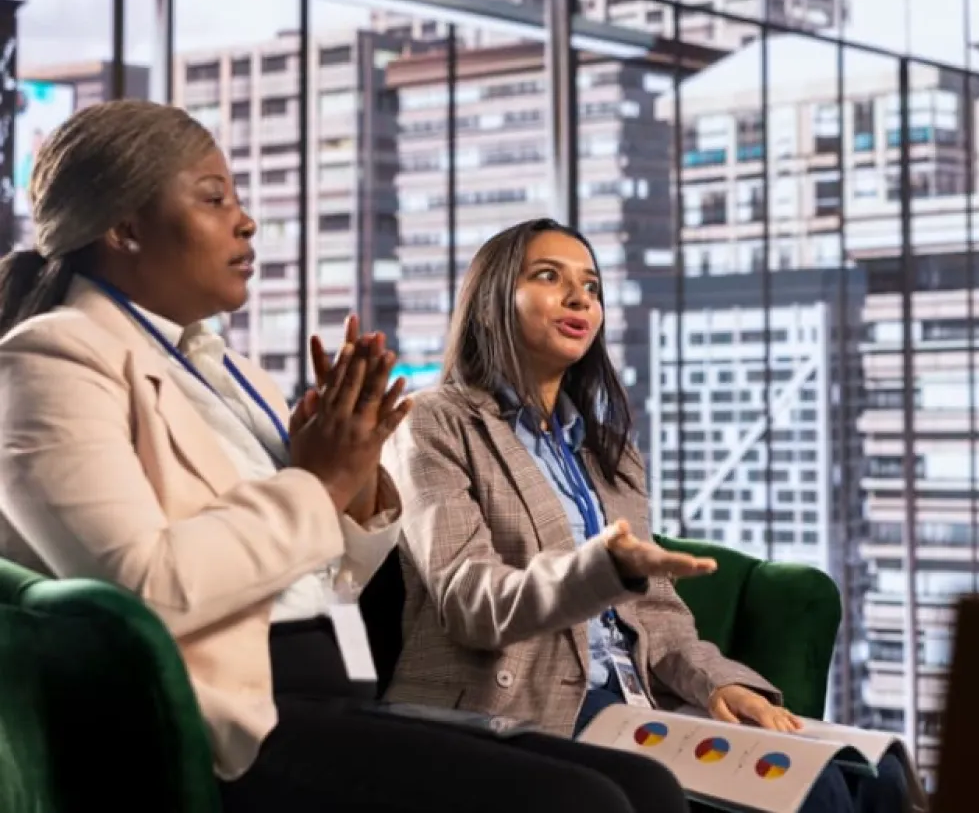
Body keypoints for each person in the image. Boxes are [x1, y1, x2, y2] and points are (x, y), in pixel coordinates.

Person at [0, 101, 686, 813]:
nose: (246, 221)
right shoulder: (52, 358)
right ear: (123, 228)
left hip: (323, 692)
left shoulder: (230, 373)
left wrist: (353, 485)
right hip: (218, 726)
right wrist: (319, 482)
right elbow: (142, 593)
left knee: (649, 787)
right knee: (584, 802)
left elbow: (328, 580)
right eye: (213, 198)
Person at [384, 217, 912, 813]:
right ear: (489, 304)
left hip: (634, 701)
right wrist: (603, 568)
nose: (580, 297)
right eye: (549, 277)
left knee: (879, 777)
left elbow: (657, 617)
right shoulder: (433, 422)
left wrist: (719, 681)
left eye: (591, 285)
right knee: (818, 793)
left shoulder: (608, 452)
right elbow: (468, 599)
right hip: (513, 707)